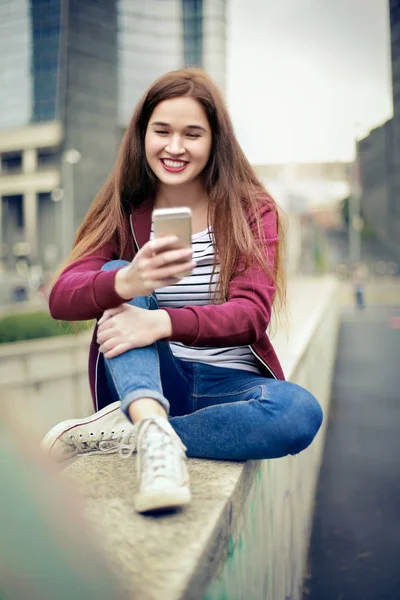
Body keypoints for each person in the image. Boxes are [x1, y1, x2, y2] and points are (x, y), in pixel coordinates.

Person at [42, 68, 323, 514]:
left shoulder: (251, 210)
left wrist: (160, 321)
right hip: (154, 381)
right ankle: (151, 426)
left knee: (299, 414)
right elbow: (62, 296)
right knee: (116, 270)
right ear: (142, 135)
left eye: (192, 134)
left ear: (215, 141)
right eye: (162, 131)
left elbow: (250, 314)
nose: (175, 147)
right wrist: (125, 282)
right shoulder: (125, 209)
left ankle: (139, 435)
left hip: (230, 386)